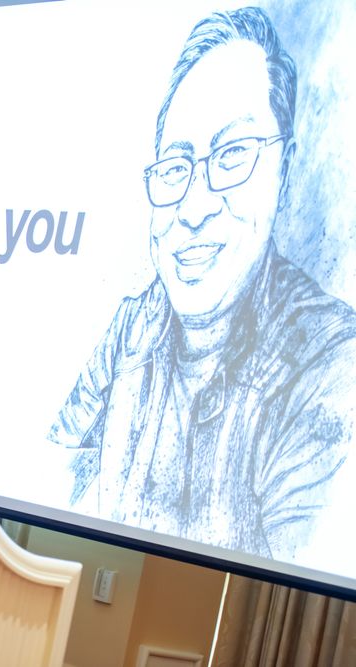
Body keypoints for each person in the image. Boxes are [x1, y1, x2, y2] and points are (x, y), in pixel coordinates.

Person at [48, 7, 356, 560]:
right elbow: (47, 483)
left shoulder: (332, 365)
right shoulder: (134, 328)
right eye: (175, 167)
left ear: (284, 172)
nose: (193, 209)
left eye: (232, 156)